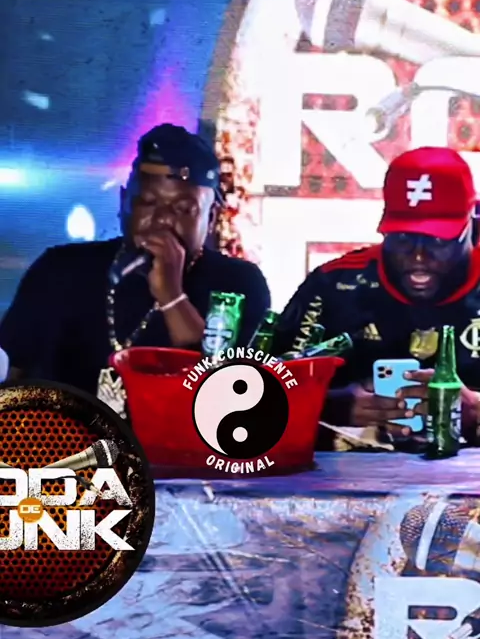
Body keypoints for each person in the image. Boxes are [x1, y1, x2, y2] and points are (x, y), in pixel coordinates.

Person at [0, 124, 271, 395]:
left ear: (210, 218)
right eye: (148, 202)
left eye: (183, 209)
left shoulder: (237, 285)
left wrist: (172, 296)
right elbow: (11, 376)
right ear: (124, 203)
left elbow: (225, 395)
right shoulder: (60, 269)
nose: (162, 219)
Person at [272, 146, 480, 446]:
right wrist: (328, 404)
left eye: (438, 239)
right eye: (402, 237)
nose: (418, 256)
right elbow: (263, 388)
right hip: (346, 472)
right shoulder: (334, 285)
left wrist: (474, 410)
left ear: (471, 222)